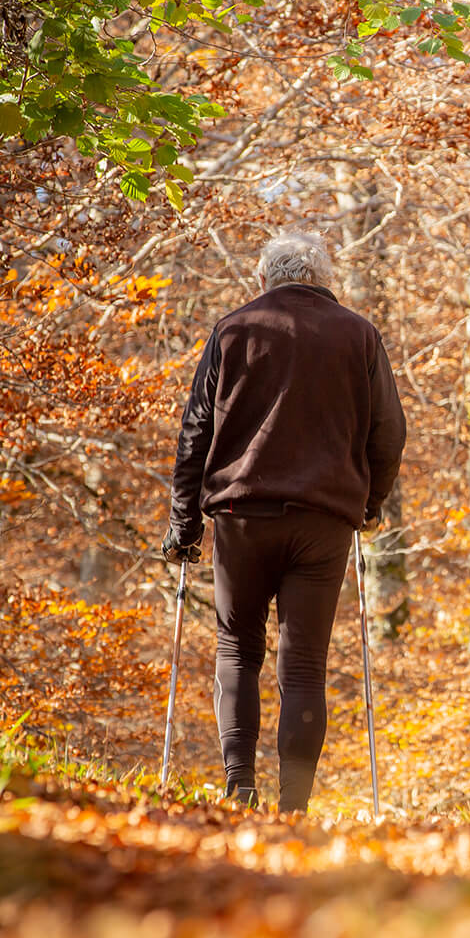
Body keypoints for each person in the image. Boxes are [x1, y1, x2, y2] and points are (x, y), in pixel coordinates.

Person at [164, 231, 407, 812]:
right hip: (324, 519)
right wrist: (369, 503)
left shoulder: (233, 329)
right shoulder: (359, 334)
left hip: (242, 514)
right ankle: (293, 803)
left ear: (265, 278)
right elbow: (389, 431)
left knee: (237, 646)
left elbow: (197, 428)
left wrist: (184, 523)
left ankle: (238, 782)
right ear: (323, 277)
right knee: (303, 662)